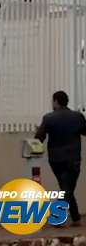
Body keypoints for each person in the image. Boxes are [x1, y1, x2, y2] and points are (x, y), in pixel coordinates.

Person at [35, 91, 86, 226]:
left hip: (55, 160)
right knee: (67, 188)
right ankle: (59, 217)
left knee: (66, 187)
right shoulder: (77, 116)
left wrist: (38, 131)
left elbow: (39, 138)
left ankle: (75, 218)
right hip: (73, 159)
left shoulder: (48, 118)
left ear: (56, 101)